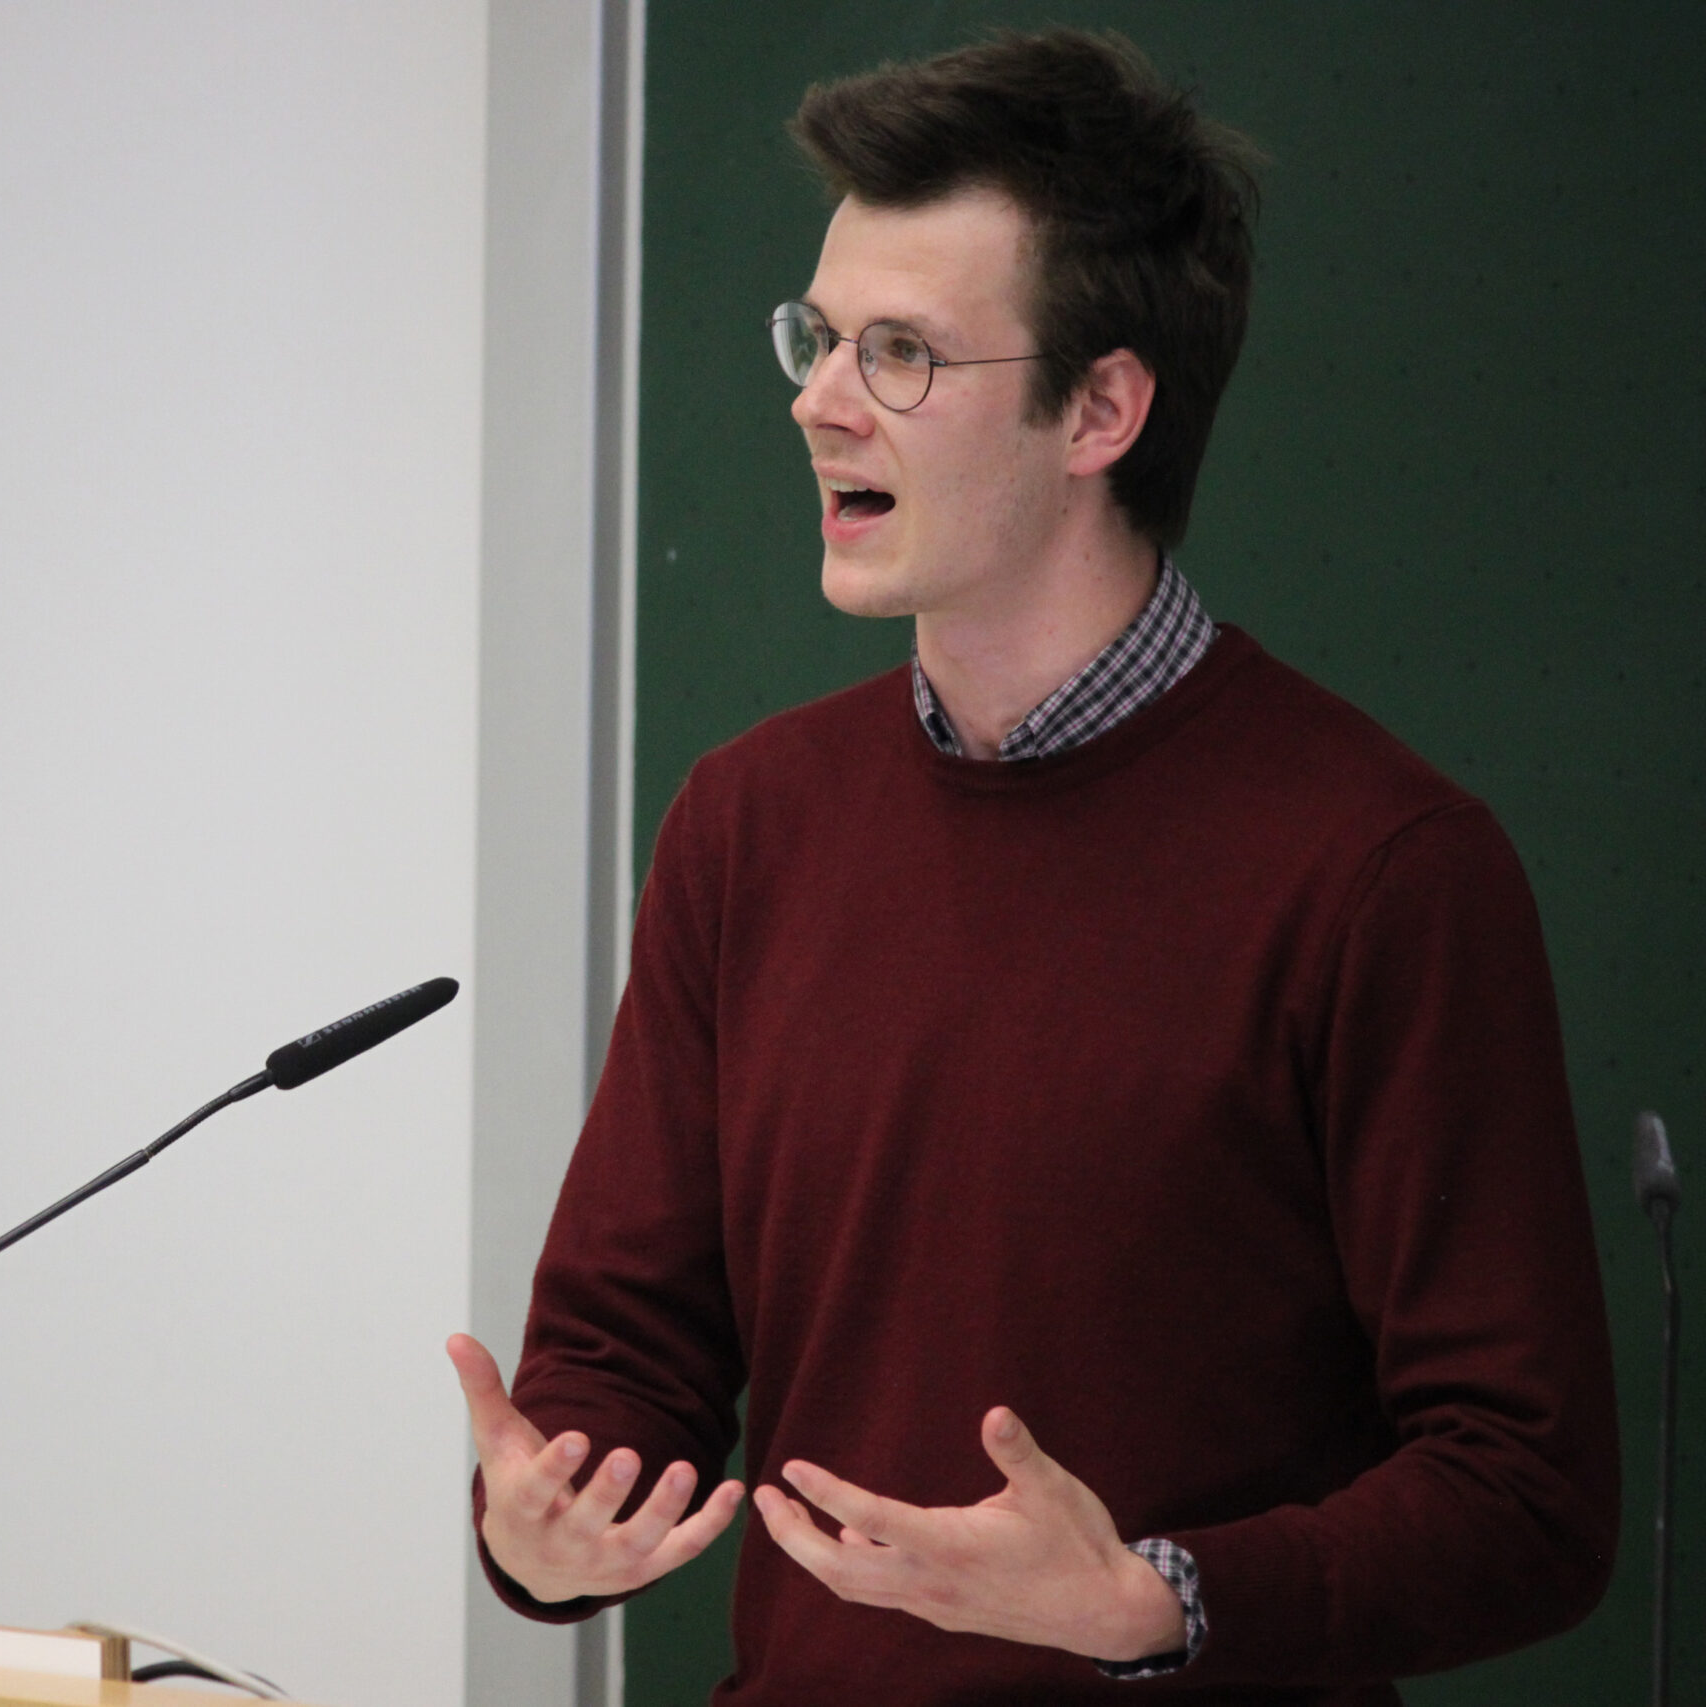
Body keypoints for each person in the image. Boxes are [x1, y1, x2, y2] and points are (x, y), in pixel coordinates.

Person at [448, 28, 1618, 1704]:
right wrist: (550, 1520)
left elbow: (1529, 1498)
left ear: (1103, 410)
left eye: (902, 354)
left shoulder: (1383, 870)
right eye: (822, 335)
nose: (817, 399)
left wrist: (1160, 1602)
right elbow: (623, 1358)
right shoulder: (746, 823)